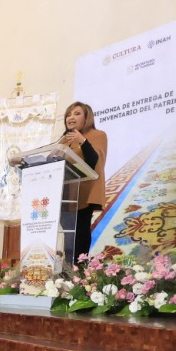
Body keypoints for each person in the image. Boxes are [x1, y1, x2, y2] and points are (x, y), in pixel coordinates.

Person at [62, 101, 109, 264]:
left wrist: (82, 140)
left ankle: (79, 269)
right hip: (65, 196)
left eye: (76, 113)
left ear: (87, 117)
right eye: (68, 114)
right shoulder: (63, 140)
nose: (71, 117)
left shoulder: (97, 135)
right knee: (68, 237)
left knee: (80, 233)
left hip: (84, 193)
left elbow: (94, 160)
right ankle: (68, 268)